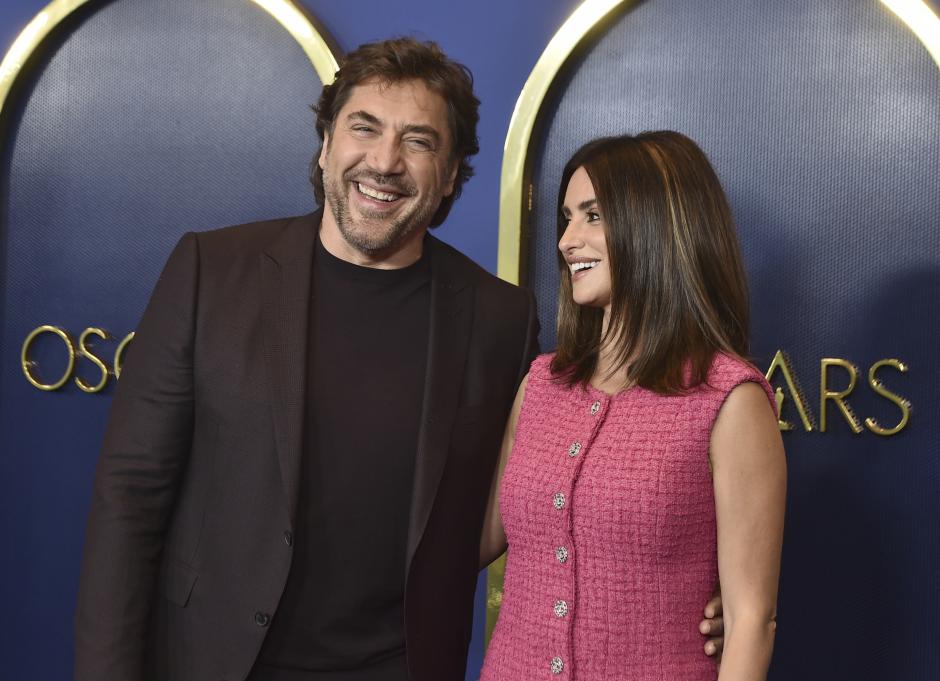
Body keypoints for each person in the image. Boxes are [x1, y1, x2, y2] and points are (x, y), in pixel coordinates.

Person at [74, 38, 724, 681]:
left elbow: (543, 497)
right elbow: (130, 498)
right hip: (210, 659)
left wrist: (702, 601)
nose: (384, 161)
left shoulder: (500, 318)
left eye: (418, 141)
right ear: (327, 143)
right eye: (364, 127)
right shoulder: (210, 272)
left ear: (449, 175)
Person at [479, 132, 786, 680]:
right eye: (567, 218)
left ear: (657, 225)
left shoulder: (728, 400)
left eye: (593, 216)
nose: (568, 240)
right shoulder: (541, 385)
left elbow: (750, 621)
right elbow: (470, 540)